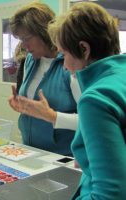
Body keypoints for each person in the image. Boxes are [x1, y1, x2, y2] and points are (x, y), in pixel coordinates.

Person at [48, 2, 126, 199]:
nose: (64, 66)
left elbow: (110, 194)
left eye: (64, 54)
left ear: (84, 49)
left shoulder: (96, 99)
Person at [8, 2, 80, 155]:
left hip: (62, 157)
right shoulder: (30, 59)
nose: (24, 45)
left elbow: (91, 121)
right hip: (31, 151)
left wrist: (52, 116)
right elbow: (34, 107)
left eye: (27, 38)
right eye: (21, 39)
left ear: (44, 32)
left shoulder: (71, 63)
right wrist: (23, 106)